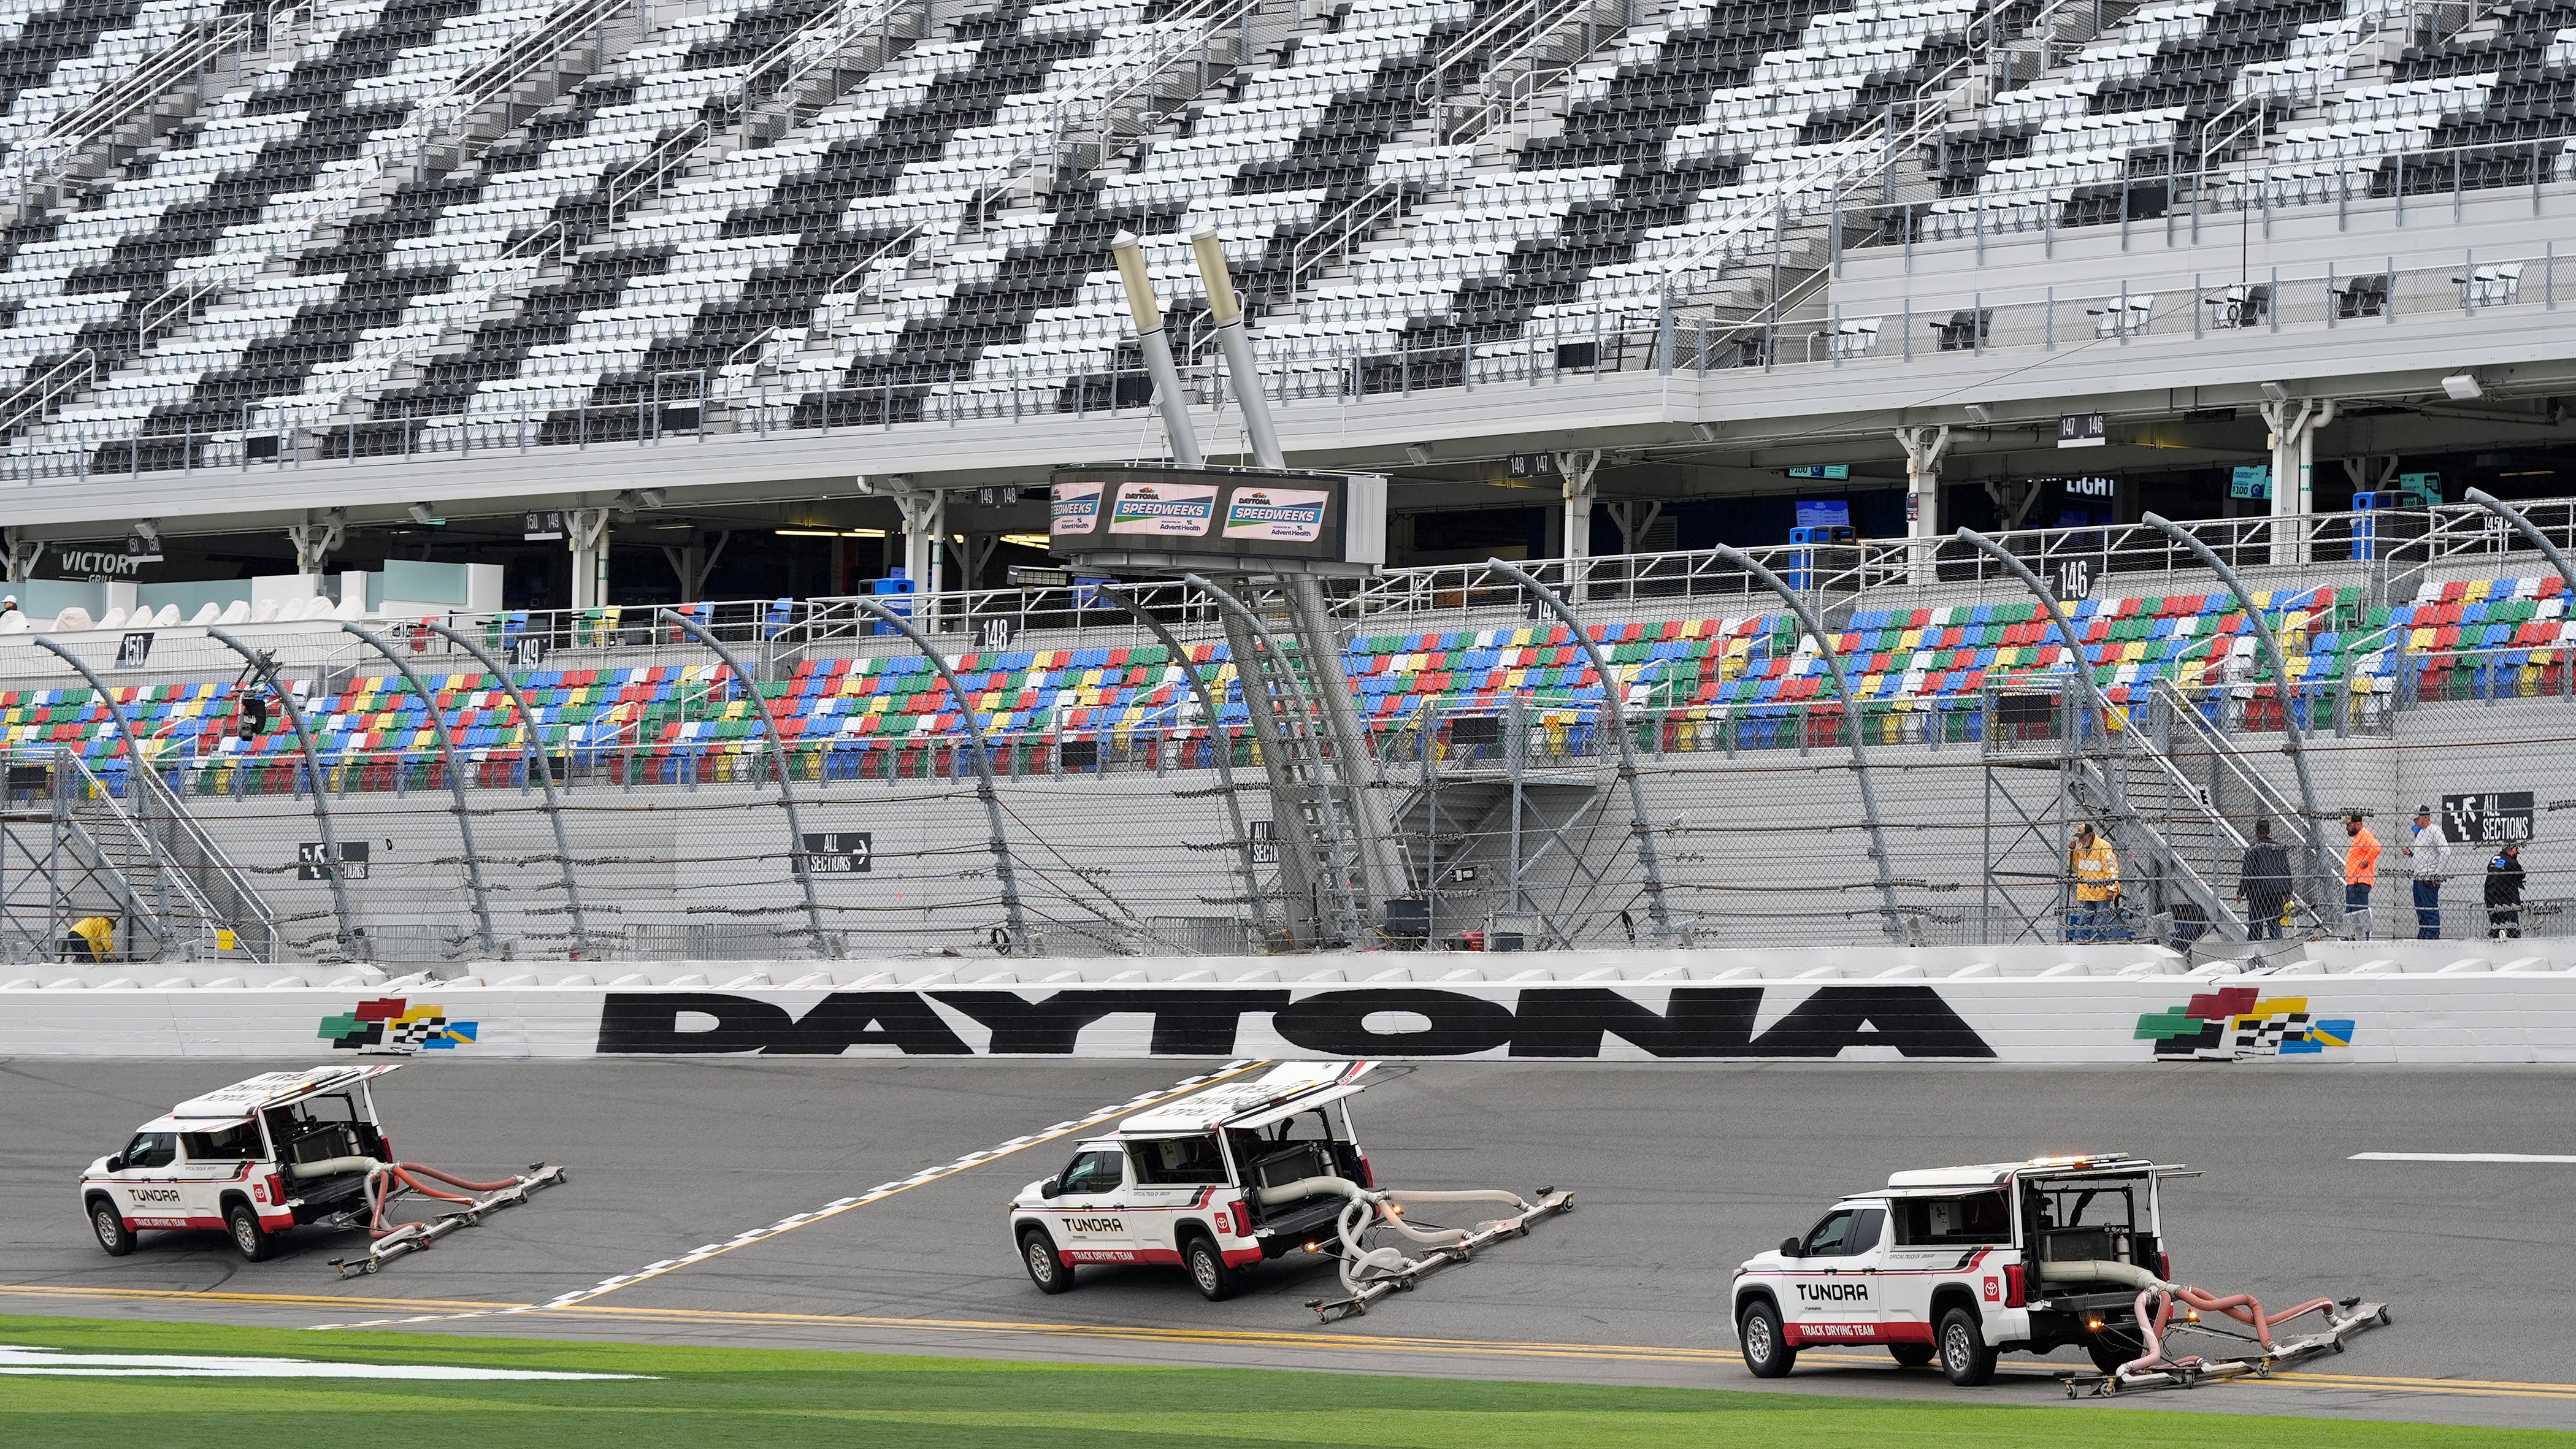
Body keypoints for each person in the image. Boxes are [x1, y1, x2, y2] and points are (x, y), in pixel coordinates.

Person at [2237, 820, 2293, 940]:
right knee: (2274, 923)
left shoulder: (2253, 849)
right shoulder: (2277, 848)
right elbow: (2286, 869)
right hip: (2276, 891)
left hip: (2258, 891)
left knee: (2256, 924)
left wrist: (2241, 892)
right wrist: (2288, 891)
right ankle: (2278, 948)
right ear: (2269, 831)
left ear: (2256, 831)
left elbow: (2248, 872)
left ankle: (2254, 949)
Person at [2068, 823, 2122, 942]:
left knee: (2101, 924)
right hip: (2089, 893)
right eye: (2079, 837)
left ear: (2090, 836)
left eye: (2082, 837)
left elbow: (2112, 870)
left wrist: (2111, 889)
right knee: (2084, 923)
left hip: (2102, 893)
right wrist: (2072, 851)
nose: (2080, 840)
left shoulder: (2103, 847)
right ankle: (2085, 945)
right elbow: (2078, 867)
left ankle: (2100, 946)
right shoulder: (2082, 848)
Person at [2407, 805, 2452, 941]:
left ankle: (2432, 937)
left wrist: (2436, 873)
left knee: (2429, 909)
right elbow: (2424, 854)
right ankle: (2424, 935)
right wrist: (2411, 854)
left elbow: (2445, 851)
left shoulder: (2435, 831)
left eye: (2416, 819)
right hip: (2419, 877)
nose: (2415, 822)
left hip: (2428, 878)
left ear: (2424, 817)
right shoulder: (2421, 833)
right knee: (2421, 911)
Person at [2342, 811, 2380, 939]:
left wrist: (2366, 861)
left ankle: (2363, 940)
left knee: (2360, 913)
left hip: (2359, 883)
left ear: (2358, 824)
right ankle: (2352, 938)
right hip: (2354, 883)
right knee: (2352, 915)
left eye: (2349, 825)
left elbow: (2376, 847)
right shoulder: (2360, 837)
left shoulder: (2364, 835)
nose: (2347, 828)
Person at [2486, 843, 2527, 939]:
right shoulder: (2512, 862)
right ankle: (2515, 947)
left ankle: (2491, 941)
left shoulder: (2494, 858)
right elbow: (2521, 875)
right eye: (2516, 850)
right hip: (2507, 898)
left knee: (2496, 926)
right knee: (2513, 928)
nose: (2516, 852)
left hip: (2490, 896)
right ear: (2511, 849)